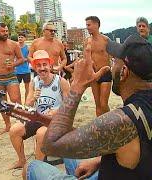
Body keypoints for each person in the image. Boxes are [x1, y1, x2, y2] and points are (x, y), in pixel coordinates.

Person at [25, 34, 152, 180]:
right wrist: (99, 160)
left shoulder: (122, 121)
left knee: (32, 167)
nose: (111, 67)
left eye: (114, 62)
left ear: (123, 72)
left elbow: (50, 145)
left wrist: (78, 86)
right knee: (74, 160)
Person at [9, 50, 69, 169]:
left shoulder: (61, 81)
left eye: (44, 64)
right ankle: (21, 160)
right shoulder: (34, 82)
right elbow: (27, 106)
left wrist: (56, 111)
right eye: (38, 65)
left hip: (55, 121)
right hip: (38, 118)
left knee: (41, 133)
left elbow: (69, 106)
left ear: (50, 65)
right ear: (35, 68)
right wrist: (32, 99)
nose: (42, 68)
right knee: (14, 130)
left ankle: (38, 167)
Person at [84, 16, 111, 117]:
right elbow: (85, 58)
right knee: (98, 105)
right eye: (86, 25)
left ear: (96, 25)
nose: (87, 27)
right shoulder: (87, 41)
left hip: (105, 73)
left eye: (89, 25)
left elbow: (115, 55)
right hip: (93, 74)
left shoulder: (106, 40)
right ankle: (100, 129)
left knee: (104, 104)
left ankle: (110, 123)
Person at [15, 33, 31, 102]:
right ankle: (19, 104)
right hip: (17, 71)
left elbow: (30, 58)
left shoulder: (27, 48)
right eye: (19, 37)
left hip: (26, 71)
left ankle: (26, 103)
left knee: (27, 88)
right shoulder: (15, 47)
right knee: (16, 89)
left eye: (22, 37)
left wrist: (23, 60)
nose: (20, 38)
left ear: (25, 39)